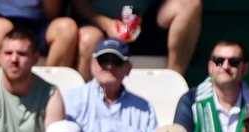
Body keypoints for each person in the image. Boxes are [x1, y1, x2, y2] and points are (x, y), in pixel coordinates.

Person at [62, 37, 152, 132]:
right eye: (103, 60)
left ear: (128, 68)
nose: (109, 66)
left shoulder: (144, 107)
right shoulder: (72, 100)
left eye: (116, 61)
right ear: (92, 64)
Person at [71, 0, 202, 79]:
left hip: (144, 23)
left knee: (190, 4)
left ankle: (173, 81)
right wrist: (107, 24)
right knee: (88, 39)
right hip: (100, 24)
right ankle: (85, 104)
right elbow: (79, 3)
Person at [0, 0, 78, 72]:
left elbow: (52, 13)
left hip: (35, 22)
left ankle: (47, 97)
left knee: (67, 29)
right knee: (3, 29)